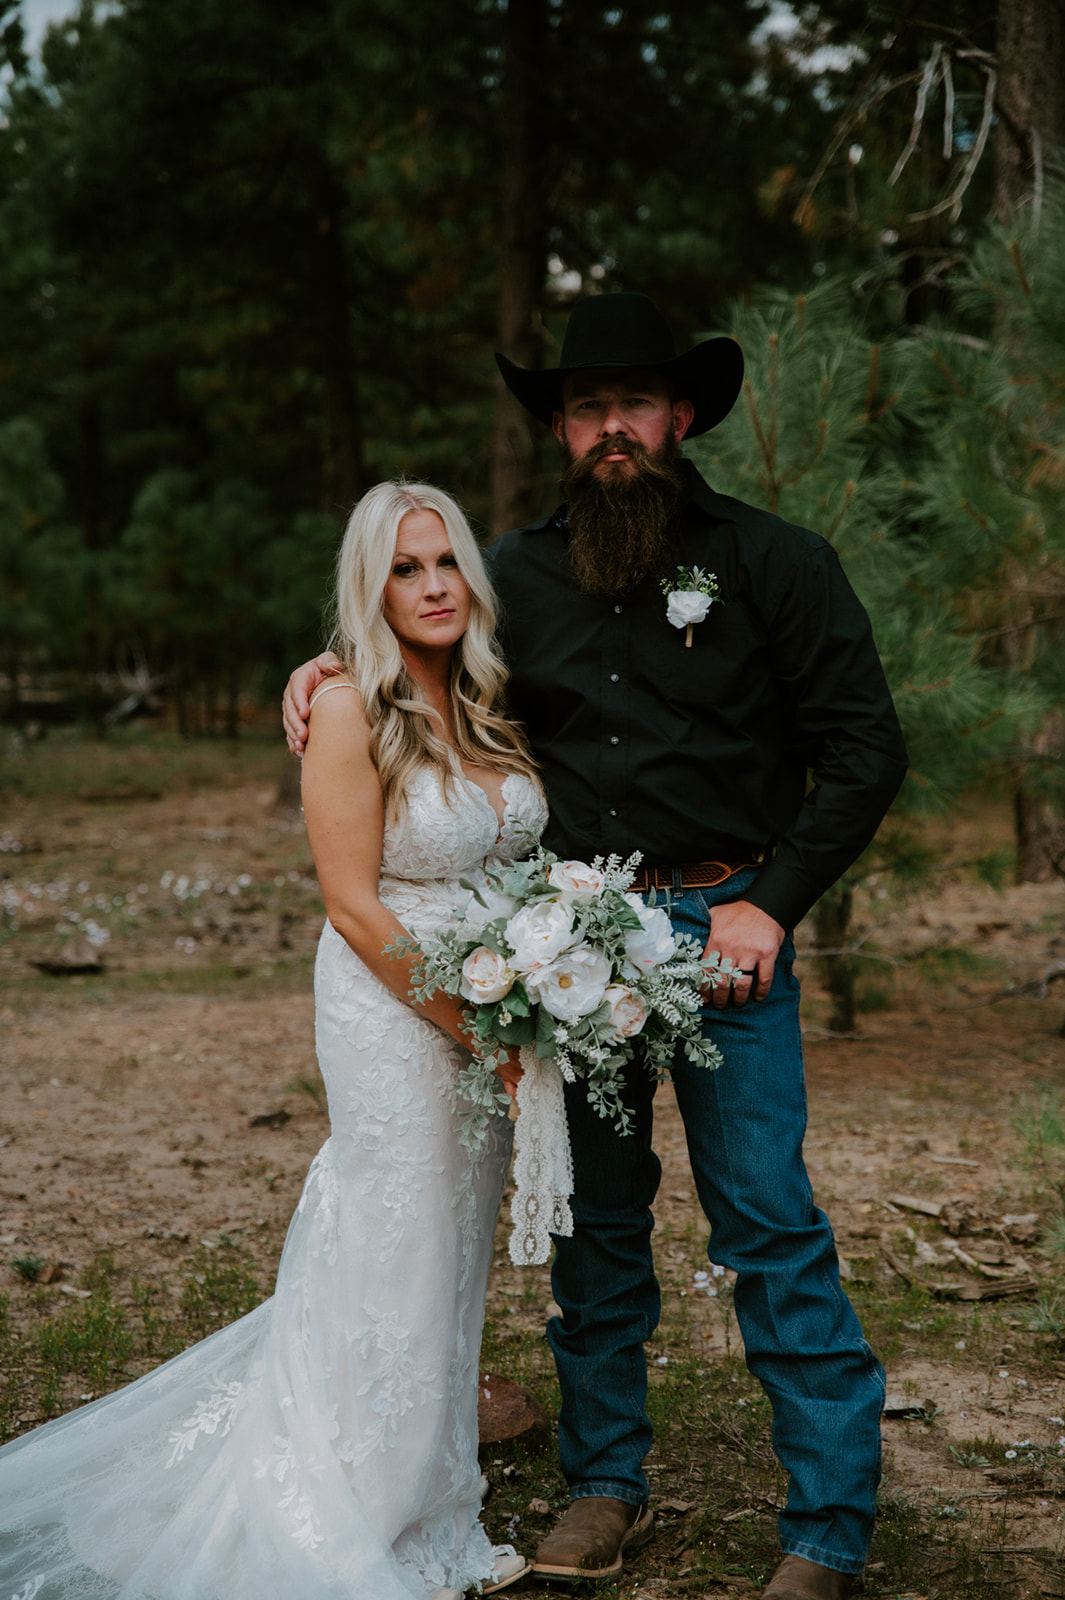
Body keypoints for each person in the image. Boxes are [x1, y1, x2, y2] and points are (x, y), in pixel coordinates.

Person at [283, 294, 910, 1600]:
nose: (610, 427)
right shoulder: (510, 574)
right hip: (574, 955)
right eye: (585, 407)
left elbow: (866, 748)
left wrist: (772, 901)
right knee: (597, 1228)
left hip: (728, 931)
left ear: (681, 418)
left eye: (633, 403)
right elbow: (413, 636)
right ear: (561, 428)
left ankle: (827, 1528)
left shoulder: (777, 565)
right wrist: (312, 672)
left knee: (767, 1220)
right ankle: (604, 1482)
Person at [0, 481, 547, 1600]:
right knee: (392, 1243)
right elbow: (352, 902)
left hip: (490, 1009)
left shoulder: (486, 700)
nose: (435, 585)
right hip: (397, 1006)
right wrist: (475, 1026)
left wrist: (532, 995)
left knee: (449, 1252)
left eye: (448, 563)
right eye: (406, 568)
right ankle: (354, 1506)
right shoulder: (348, 706)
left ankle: (435, 1498)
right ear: (371, 585)